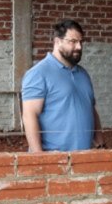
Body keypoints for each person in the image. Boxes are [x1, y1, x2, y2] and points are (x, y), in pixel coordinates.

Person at [21, 19, 103, 152]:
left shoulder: (83, 74)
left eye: (81, 42)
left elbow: (91, 110)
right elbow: (30, 115)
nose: (79, 47)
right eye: (73, 41)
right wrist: (38, 156)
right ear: (57, 41)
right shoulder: (38, 73)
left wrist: (100, 144)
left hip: (85, 156)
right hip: (54, 158)